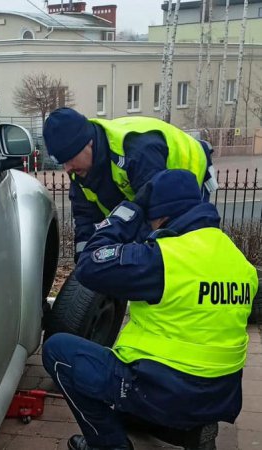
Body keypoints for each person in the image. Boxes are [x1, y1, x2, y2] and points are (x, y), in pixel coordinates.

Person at [42, 169, 258, 450]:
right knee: (134, 397)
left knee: (58, 351)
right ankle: (191, 431)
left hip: (165, 392)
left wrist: (126, 214)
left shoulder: (163, 259)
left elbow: (89, 266)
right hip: (220, 395)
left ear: (163, 215)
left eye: (151, 217)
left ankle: (110, 445)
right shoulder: (238, 261)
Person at [43, 108, 217, 262]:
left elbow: (152, 214)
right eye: (62, 163)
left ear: (89, 142)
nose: (67, 168)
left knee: (177, 245)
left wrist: (125, 261)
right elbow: (86, 217)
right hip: (149, 185)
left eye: (70, 158)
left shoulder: (136, 151)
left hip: (188, 177)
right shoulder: (79, 170)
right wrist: (84, 259)